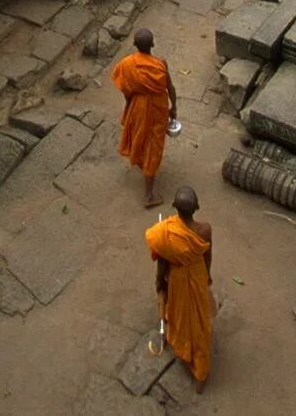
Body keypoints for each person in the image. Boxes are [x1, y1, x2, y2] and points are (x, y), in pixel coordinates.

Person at [147, 186, 214, 393]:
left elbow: (162, 263)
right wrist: (208, 275)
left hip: (176, 279)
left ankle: (183, 348)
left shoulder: (166, 232)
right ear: (196, 209)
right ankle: (200, 375)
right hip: (198, 274)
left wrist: (159, 282)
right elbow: (208, 256)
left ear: (175, 208)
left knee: (180, 315)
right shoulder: (205, 230)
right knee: (201, 322)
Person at [111, 29, 176, 206]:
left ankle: (143, 164)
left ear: (135, 45)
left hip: (138, 107)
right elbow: (170, 88)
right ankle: (148, 195)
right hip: (158, 108)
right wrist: (174, 108)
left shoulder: (127, 64)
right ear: (153, 44)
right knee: (153, 146)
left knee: (139, 136)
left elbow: (126, 90)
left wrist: (129, 104)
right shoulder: (160, 63)